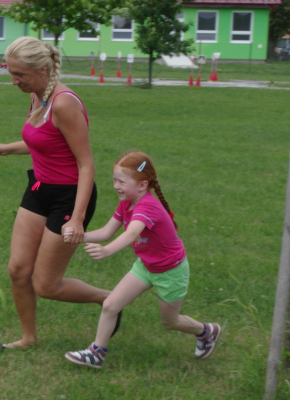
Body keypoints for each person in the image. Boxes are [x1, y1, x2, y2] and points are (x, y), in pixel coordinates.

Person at [0, 36, 116, 350]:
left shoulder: (64, 102)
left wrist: (78, 220)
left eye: (20, 75)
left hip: (70, 196)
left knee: (46, 285)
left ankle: (109, 299)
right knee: (17, 270)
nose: (14, 81)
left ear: (42, 70)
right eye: (11, 73)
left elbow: (86, 164)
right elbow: (44, 142)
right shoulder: (36, 94)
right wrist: (6, 149)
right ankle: (29, 338)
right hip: (40, 188)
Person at [63, 150, 221, 369]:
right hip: (146, 267)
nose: (116, 186)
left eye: (121, 181)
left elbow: (131, 234)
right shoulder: (127, 203)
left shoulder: (148, 207)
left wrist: (108, 251)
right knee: (110, 305)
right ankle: (96, 353)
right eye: (114, 180)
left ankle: (207, 331)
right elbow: (107, 231)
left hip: (170, 271)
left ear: (142, 185)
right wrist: (78, 236)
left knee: (170, 322)